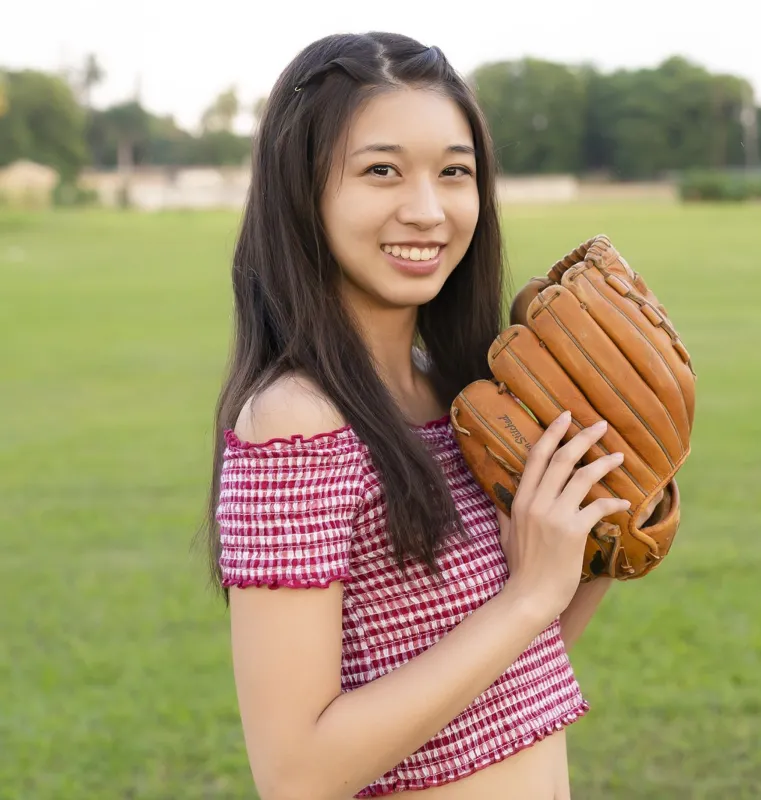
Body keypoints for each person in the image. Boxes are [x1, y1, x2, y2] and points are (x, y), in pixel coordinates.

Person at [200, 32, 637, 800]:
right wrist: (527, 595)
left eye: (455, 173)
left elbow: (504, 685)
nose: (428, 211)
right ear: (302, 189)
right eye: (381, 171)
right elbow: (294, 773)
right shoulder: (295, 422)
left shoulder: (465, 397)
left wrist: (591, 540)